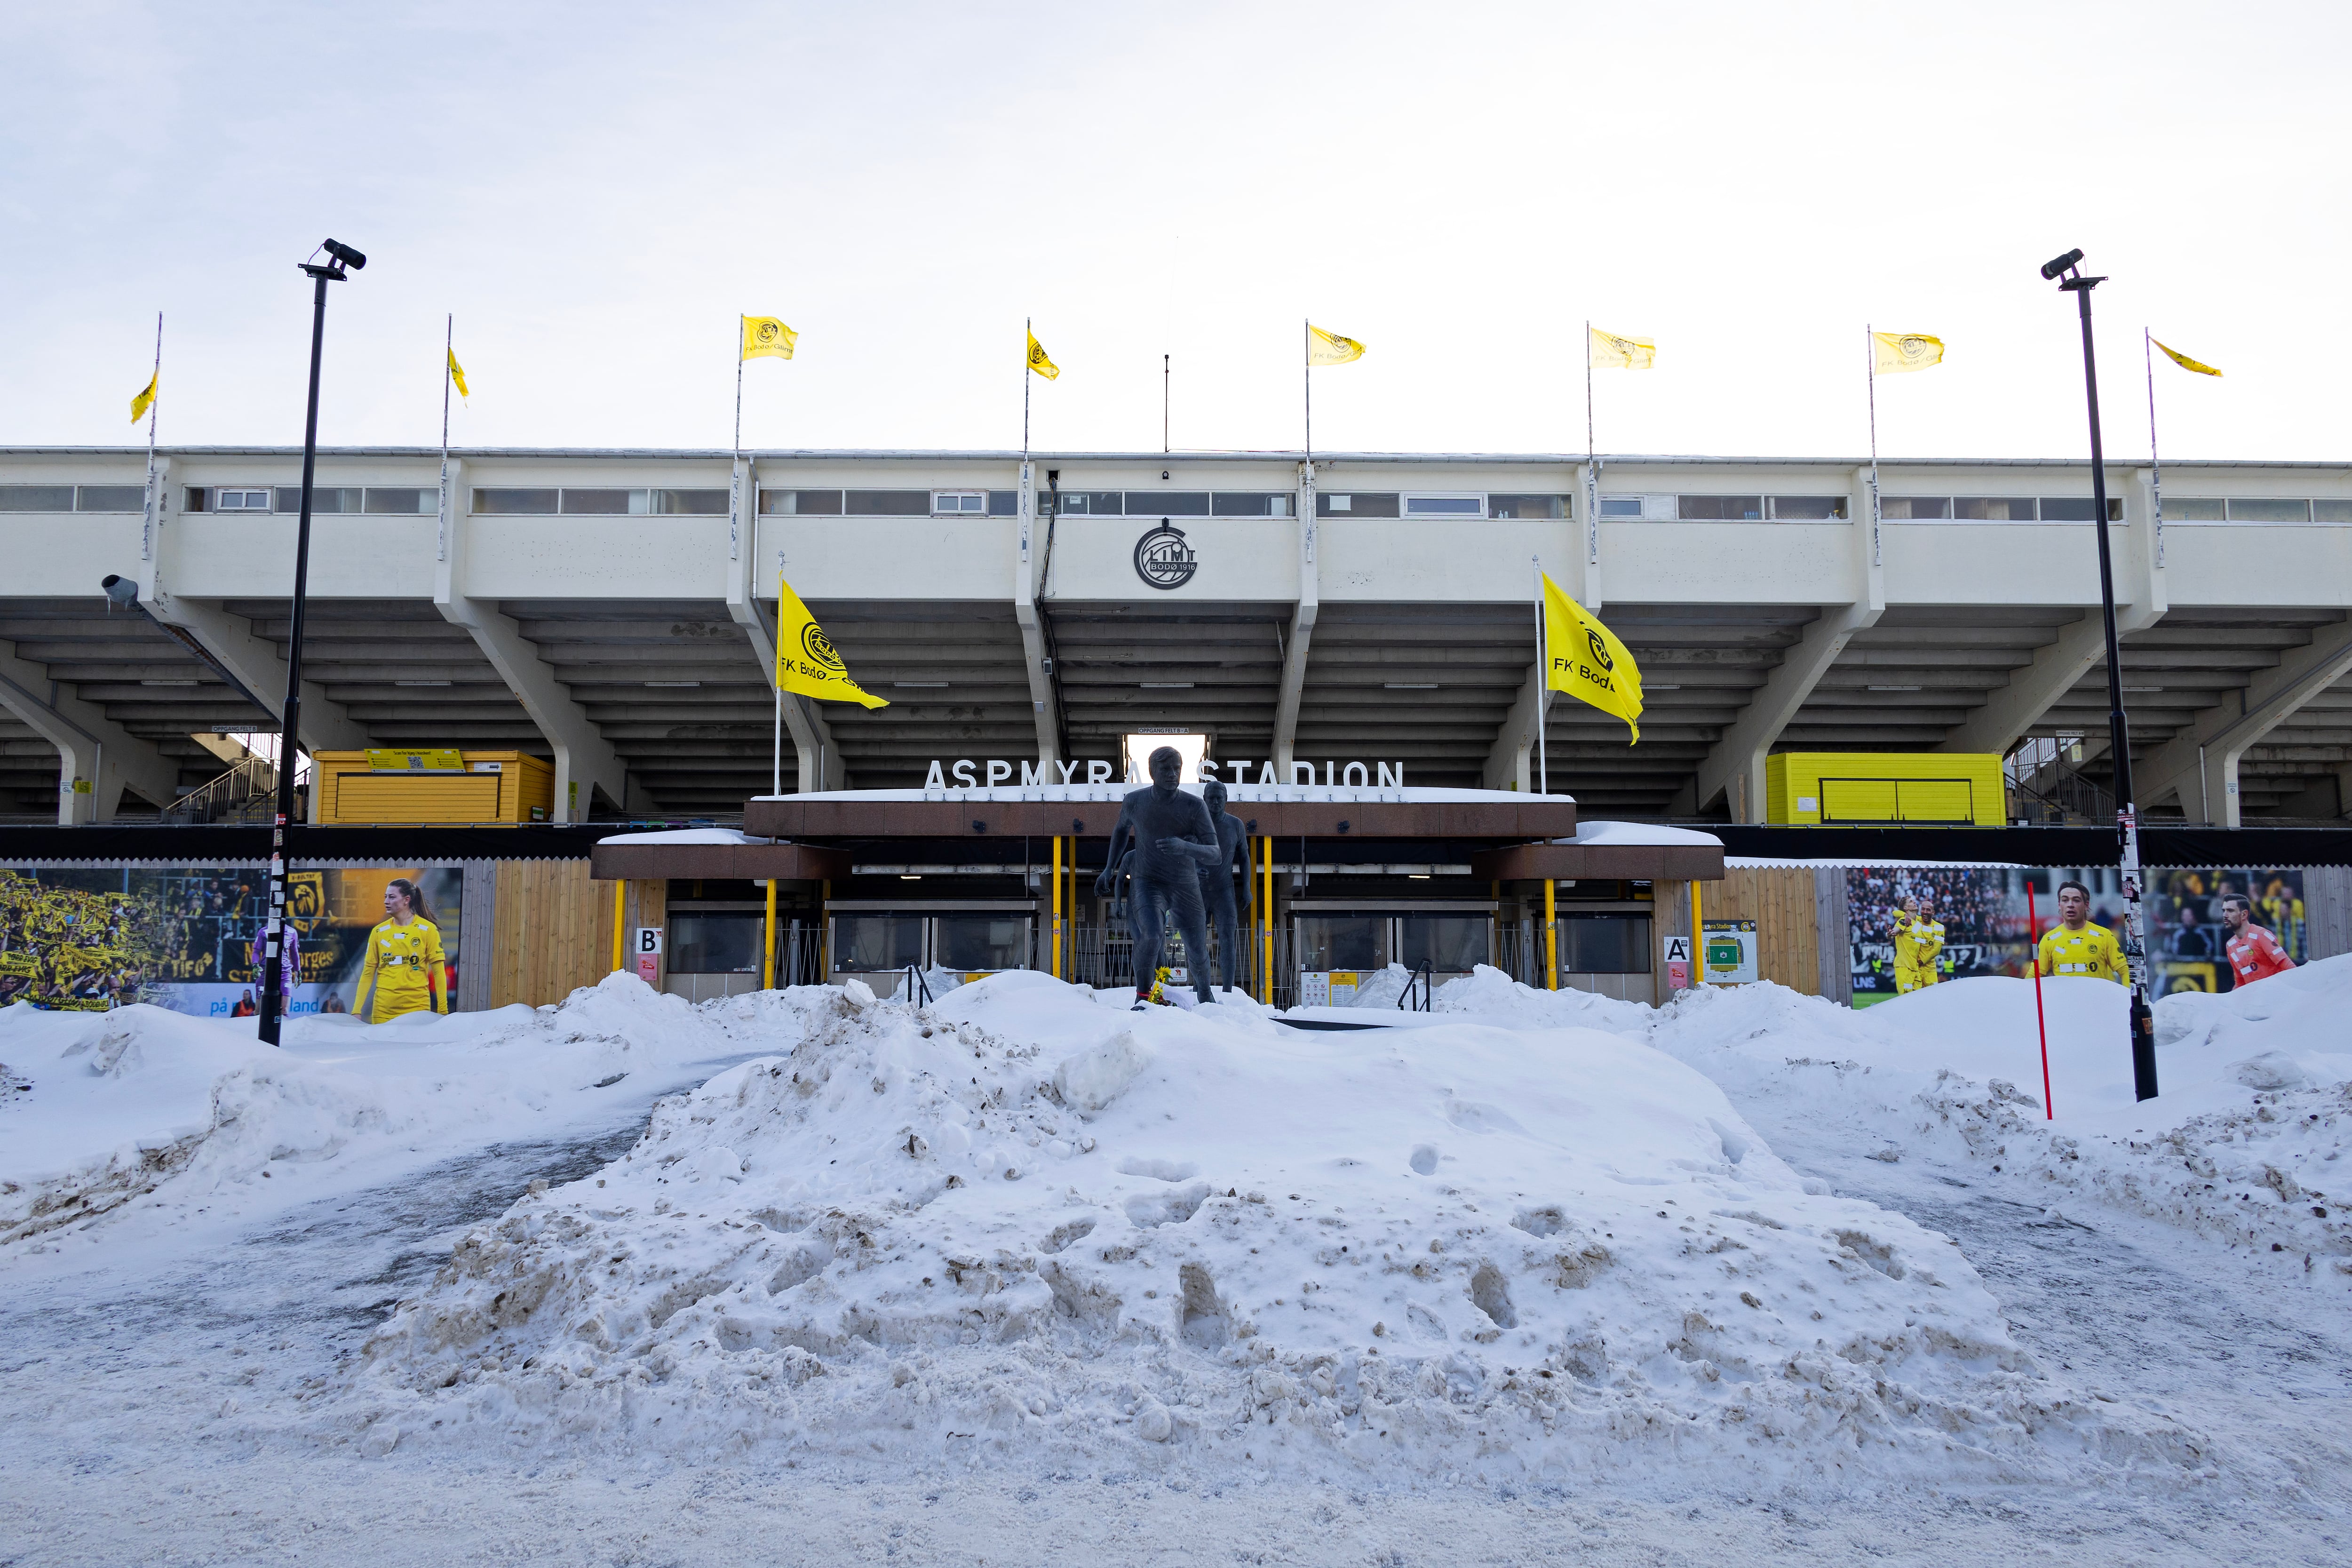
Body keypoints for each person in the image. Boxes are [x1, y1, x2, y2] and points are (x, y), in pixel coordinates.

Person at [1095, 747, 1223, 1010]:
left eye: (1177, 768)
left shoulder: (1194, 806)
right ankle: (1142, 998)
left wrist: (1185, 847)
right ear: (1152, 772)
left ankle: (1206, 997)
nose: (1173, 774)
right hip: (1148, 881)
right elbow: (1120, 832)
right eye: (1166, 769)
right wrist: (1109, 869)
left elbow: (1216, 854)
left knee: (1197, 948)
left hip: (1185, 884)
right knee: (1151, 936)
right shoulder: (1135, 801)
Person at [354, 876, 449, 1023]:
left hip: (417, 1011)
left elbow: (438, 972)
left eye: (392, 897)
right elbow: (368, 973)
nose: (386, 901)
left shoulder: (427, 929)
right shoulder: (379, 932)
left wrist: (443, 1010)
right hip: (383, 1012)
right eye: (385, 897)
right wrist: (357, 1010)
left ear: (406, 900)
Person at [1195, 780, 1254, 994]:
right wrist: (1194, 869)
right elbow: (1183, 853)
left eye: (1220, 798)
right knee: (1197, 942)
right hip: (1198, 891)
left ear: (1227, 800)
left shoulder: (1236, 825)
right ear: (1205, 800)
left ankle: (1228, 991)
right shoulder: (1196, 823)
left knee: (1228, 941)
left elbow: (1245, 858)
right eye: (1211, 798)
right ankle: (1199, 988)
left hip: (1224, 890)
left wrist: (1247, 888)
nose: (1215, 802)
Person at [2037, 880, 2130, 984]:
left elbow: (2124, 971)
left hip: (2098, 999)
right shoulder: (2049, 939)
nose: (2070, 905)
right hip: (2065, 999)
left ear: (2086, 905)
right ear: (2059, 905)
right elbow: (2034, 975)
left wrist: (2128, 997)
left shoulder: (2104, 935)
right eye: (2065, 900)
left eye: (2076, 900)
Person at [2220, 893, 2295, 987]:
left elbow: (2289, 967)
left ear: (2244, 914)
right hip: (2257, 1000)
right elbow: (2240, 982)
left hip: (2276, 995)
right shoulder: (2230, 946)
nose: (2225, 915)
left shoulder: (2261, 935)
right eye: (2224, 911)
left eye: (2230, 911)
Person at [1891, 893, 1945, 994]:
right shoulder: (1917, 921)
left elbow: (1936, 950)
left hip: (1929, 969)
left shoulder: (1939, 928)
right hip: (1915, 968)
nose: (1925, 912)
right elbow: (1895, 912)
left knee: (1933, 996)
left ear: (1933, 912)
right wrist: (1904, 914)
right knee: (1912, 996)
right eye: (1923, 909)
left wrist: (1922, 961)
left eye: (1928, 910)